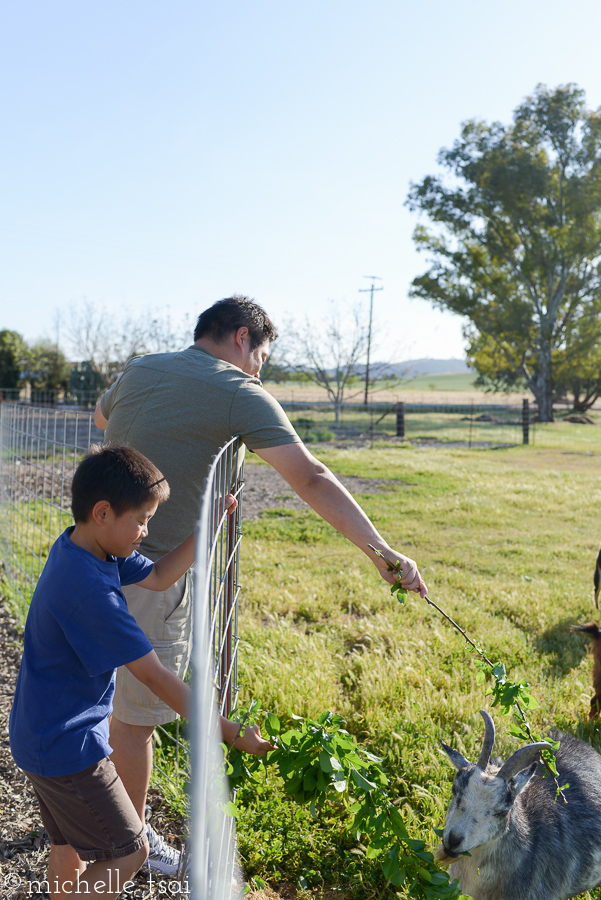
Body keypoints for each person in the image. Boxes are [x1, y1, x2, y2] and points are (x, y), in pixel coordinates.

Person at [94, 295, 427, 873]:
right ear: (243, 337)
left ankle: (84, 823)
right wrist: (382, 553)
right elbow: (310, 477)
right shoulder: (238, 392)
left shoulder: (142, 368)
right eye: (263, 356)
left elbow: (103, 419)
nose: (259, 369)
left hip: (93, 558)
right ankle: (131, 843)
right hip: (152, 571)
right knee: (137, 717)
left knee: (102, 697)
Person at [9, 445, 271, 900]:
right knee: (129, 852)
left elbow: (160, 576)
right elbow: (153, 676)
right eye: (142, 520)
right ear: (104, 512)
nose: (146, 531)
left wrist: (205, 529)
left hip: (38, 733)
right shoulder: (91, 591)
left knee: (66, 843)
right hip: (69, 746)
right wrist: (227, 730)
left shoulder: (84, 548)